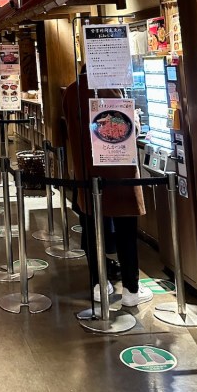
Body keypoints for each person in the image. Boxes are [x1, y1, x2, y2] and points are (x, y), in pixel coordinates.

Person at [62, 67, 152, 308]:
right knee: (126, 232)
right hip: (120, 175)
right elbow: (126, 132)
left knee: (92, 230)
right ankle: (131, 290)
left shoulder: (71, 91)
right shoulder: (111, 90)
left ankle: (99, 285)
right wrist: (136, 122)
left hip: (87, 174)